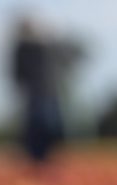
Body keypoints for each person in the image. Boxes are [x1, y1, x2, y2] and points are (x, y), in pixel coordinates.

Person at [9, 15, 85, 162]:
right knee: (38, 127)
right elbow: (17, 73)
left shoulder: (51, 46)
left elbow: (74, 56)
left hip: (50, 93)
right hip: (36, 94)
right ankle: (37, 159)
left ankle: (46, 158)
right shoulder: (23, 48)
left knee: (51, 127)